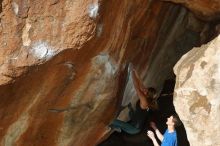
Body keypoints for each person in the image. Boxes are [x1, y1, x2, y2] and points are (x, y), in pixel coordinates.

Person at [109, 64, 158, 134]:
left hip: (133, 129)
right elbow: (141, 84)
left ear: (148, 95)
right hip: (134, 121)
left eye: (146, 91)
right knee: (130, 112)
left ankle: (115, 126)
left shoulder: (144, 101)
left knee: (111, 120)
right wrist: (135, 72)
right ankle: (118, 126)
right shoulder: (148, 99)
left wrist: (132, 73)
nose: (144, 89)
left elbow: (137, 87)